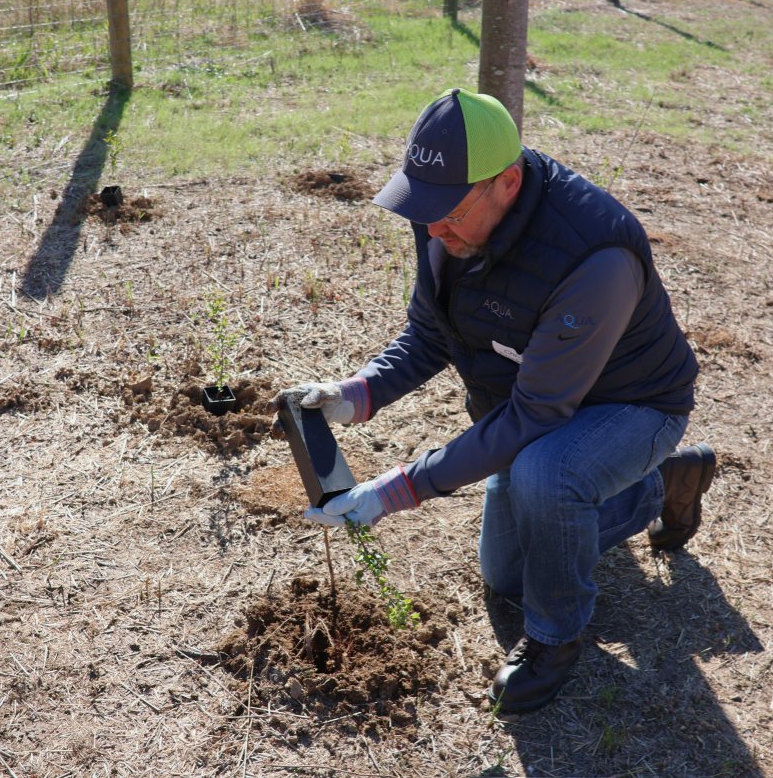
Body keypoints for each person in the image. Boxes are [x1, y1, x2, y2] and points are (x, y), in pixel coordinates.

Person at [271, 88, 716, 715]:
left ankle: (556, 642)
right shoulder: (446, 222)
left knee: (548, 472)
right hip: (542, 404)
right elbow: (431, 334)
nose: (431, 227)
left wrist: (389, 493)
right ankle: (658, 485)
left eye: (447, 212)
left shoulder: (595, 257)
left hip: (633, 405)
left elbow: (537, 415)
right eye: (421, 208)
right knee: (507, 577)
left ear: (507, 184)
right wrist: (353, 395)